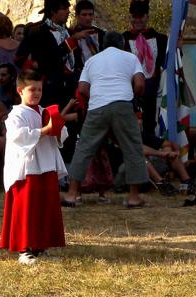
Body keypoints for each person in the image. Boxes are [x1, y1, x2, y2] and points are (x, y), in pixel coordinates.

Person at [61, 31, 149, 209]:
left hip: (97, 106)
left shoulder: (92, 60)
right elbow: (139, 84)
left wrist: (96, 97)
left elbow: (83, 88)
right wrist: (134, 98)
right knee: (132, 149)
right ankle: (133, 197)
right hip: (123, 104)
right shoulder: (130, 57)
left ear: (103, 45)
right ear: (122, 44)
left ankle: (71, 195)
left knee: (84, 149)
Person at [0, 70, 67, 265]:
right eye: (32, 89)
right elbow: (18, 136)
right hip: (27, 169)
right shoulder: (16, 114)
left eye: (39, 89)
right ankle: (25, 248)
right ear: (20, 90)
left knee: (44, 207)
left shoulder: (44, 111)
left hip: (46, 166)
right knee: (27, 208)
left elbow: (60, 133)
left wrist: (58, 127)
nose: (37, 93)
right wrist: (46, 130)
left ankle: (41, 245)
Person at [15, 0, 83, 108]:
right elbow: (19, 58)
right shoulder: (37, 32)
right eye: (64, 9)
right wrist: (37, 67)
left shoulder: (68, 32)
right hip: (49, 89)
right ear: (53, 11)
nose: (67, 12)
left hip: (70, 87)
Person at [123, 0, 167, 148]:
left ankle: (155, 153)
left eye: (141, 17)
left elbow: (166, 62)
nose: (138, 20)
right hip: (131, 89)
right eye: (135, 17)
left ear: (147, 17)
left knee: (151, 124)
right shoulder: (124, 39)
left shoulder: (160, 39)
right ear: (130, 18)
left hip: (153, 88)